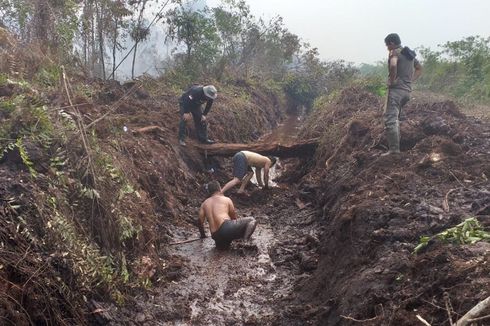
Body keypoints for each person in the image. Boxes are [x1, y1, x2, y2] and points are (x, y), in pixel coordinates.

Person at [383, 33, 422, 156]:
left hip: (396, 91)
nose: (387, 48)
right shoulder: (408, 54)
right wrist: (410, 80)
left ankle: (394, 150)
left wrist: (392, 80)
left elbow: (393, 64)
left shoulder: (394, 52)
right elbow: (419, 68)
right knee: (398, 117)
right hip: (406, 92)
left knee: (390, 120)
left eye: (387, 45)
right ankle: (402, 145)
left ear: (392, 43)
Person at [198, 181, 257, 249]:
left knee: (224, 248)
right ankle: (245, 243)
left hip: (215, 236)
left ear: (209, 192)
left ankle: (225, 243)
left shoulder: (204, 203)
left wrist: (203, 235)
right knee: (251, 220)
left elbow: (200, 222)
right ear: (220, 189)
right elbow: (233, 218)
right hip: (226, 228)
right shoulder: (226, 199)